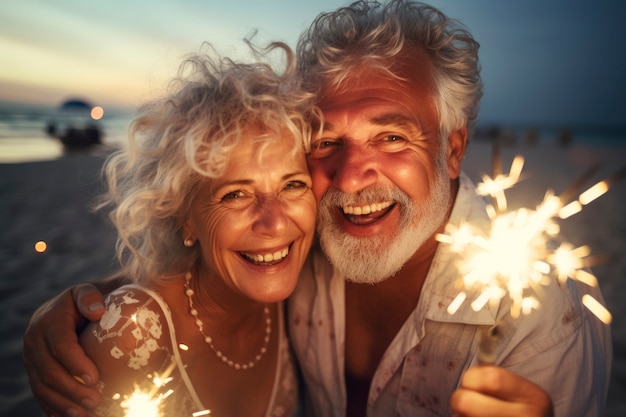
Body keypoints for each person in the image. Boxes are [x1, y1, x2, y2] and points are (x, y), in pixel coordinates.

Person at [23, 1, 611, 417]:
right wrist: (80, 307)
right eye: (328, 143)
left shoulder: (542, 324)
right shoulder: (313, 240)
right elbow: (223, 260)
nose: (352, 178)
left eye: (393, 138)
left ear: (452, 149)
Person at [33, 42, 317, 417]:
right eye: (235, 194)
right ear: (185, 218)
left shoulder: (306, 277)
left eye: (293, 184)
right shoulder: (133, 335)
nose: (276, 221)